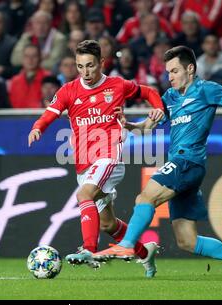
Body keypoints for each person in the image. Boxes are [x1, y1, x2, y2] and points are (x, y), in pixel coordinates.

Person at [93, 46, 222, 279]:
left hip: (188, 160)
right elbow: (148, 128)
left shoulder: (206, 90)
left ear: (190, 69)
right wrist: (131, 125)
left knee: (145, 197)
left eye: (174, 71)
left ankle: (128, 243)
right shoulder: (169, 97)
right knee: (187, 241)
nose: (169, 77)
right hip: (183, 166)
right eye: (167, 72)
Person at [28, 40, 165, 277]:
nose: (85, 72)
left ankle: (88, 249)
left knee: (84, 195)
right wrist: (38, 127)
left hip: (109, 157)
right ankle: (145, 253)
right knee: (108, 224)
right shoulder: (69, 90)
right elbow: (51, 113)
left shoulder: (117, 85)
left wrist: (158, 108)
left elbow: (149, 92)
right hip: (84, 164)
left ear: (101, 63)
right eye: (80, 66)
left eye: (90, 65)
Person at [8, 44, 50, 108]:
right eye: (26, 56)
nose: (30, 60)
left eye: (34, 56)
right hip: (18, 117)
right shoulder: (15, 81)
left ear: (40, 58)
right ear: (22, 59)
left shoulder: (48, 78)